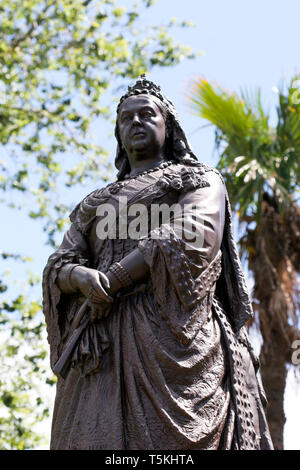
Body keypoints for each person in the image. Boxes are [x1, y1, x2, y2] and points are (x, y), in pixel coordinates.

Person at [42, 75, 273, 450]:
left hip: (172, 338)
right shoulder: (94, 202)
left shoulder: (198, 180)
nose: (135, 122)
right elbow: (59, 261)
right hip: (101, 346)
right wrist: (80, 276)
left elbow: (190, 234)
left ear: (169, 126)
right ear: (118, 132)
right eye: (126, 118)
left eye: (147, 114)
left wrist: (115, 278)